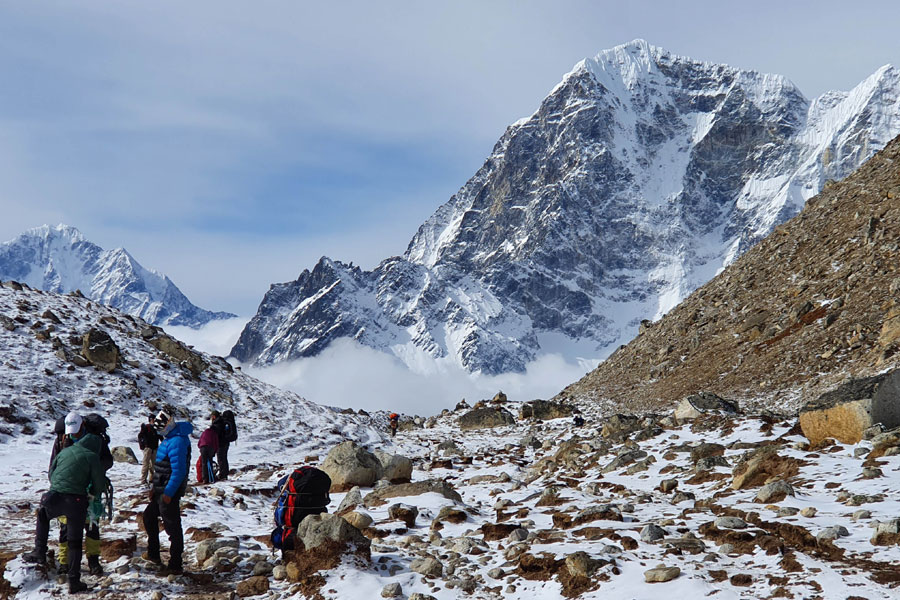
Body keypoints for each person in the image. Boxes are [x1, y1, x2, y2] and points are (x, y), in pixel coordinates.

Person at [23, 412, 106, 594]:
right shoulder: (92, 453)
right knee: (75, 539)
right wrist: (90, 492)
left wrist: (59, 486)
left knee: (45, 516)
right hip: (78, 499)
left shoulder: (65, 448)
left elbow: (52, 470)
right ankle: (73, 579)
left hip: (57, 495)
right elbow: (99, 483)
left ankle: (40, 551)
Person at [142, 410, 192, 575]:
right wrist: (154, 489)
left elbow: (178, 471)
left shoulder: (176, 441)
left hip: (168, 492)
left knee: (172, 527)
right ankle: (154, 554)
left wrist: (169, 493)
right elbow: (162, 469)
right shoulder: (170, 439)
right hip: (161, 490)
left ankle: (175, 564)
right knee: (149, 517)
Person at [211, 410, 236, 480]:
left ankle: (223, 475)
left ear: (214, 416)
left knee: (221, 458)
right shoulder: (222, 422)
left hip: (221, 443)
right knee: (223, 458)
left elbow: (217, 434)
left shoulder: (218, 422)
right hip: (225, 442)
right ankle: (224, 474)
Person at [138, 415, 161, 486]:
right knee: (146, 464)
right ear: (150, 420)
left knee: (153, 465)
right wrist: (143, 445)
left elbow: (161, 437)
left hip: (155, 448)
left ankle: (151, 478)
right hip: (148, 448)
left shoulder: (156, 428)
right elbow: (140, 436)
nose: (154, 421)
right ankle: (143, 479)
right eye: (153, 419)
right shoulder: (146, 427)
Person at [198, 417, 219, 485]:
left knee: (204, 463)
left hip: (203, 447)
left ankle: (205, 479)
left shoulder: (205, 432)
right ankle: (211, 477)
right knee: (209, 462)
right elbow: (216, 444)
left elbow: (200, 442)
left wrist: (200, 448)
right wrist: (214, 451)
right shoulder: (214, 433)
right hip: (210, 448)